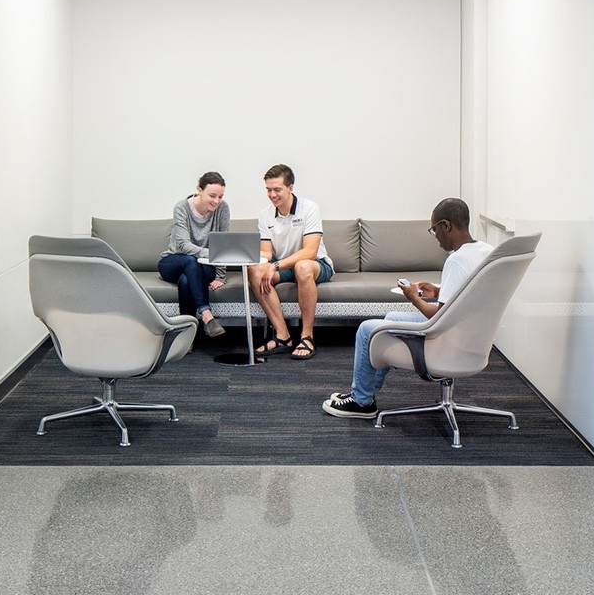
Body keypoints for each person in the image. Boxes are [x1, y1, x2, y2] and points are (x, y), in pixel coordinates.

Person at [322, 197, 490, 418]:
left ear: (446, 225)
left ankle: (361, 403)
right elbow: (470, 293)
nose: (436, 238)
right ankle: (365, 393)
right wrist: (439, 291)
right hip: (471, 333)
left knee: (367, 329)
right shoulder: (486, 251)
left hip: (448, 338)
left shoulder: (456, 260)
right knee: (390, 317)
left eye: (435, 230)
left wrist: (414, 297)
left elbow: (438, 316)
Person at [249, 164, 334, 360]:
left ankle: (307, 337)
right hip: (286, 266)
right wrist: (255, 262)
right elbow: (267, 253)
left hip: (317, 265)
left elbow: (310, 252)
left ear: (290, 188)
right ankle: (283, 336)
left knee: (302, 266)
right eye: (268, 190)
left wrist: (275, 266)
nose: (272, 195)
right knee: (254, 271)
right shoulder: (265, 215)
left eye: (277, 189)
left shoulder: (309, 208)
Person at [156, 171, 232, 340]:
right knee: (190, 260)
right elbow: (183, 245)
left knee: (185, 280)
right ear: (199, 190)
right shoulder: (182, 207)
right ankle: (206, 314)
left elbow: (223, 242)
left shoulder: (223, 209)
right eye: (212, 196)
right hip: (173, 261)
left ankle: (187, 336)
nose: (217, 201)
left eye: (220, 196)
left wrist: (220, 276)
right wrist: (211, 254)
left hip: (203, 266)